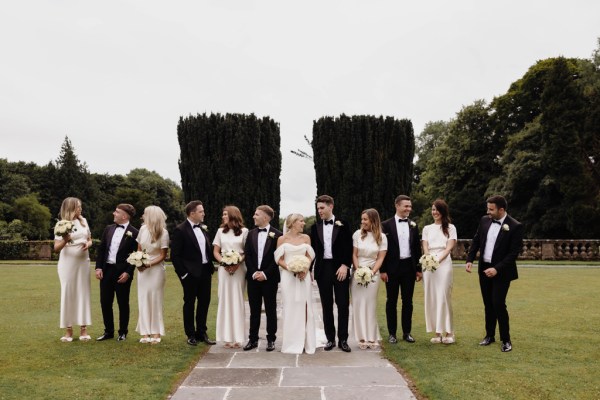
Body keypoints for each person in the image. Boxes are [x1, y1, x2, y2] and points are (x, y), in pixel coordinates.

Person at [466, 195, 523, 352]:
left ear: (501, 210)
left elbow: (513, 254)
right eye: (487, 209)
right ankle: (489, 336)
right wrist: (470, 259)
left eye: (491, 209)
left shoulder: (515, 226)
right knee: (488, 304)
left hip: (502, 271)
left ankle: (506, 340)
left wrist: (497, 268)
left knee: (498, 303)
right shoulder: (484, 220)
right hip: (484, 269)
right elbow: (476, 240)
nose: (488, 212)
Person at [310, 195, 353, 352]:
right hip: (323, 270)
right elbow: (312, 251)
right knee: (326, 305)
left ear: (331, 206)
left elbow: (349, 247)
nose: (319, 211)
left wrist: (345, 265)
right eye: (318, 208)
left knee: (342, 305)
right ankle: (330, 339)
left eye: (322, 208)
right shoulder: (315, 228)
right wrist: (310, 270)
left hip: (340, 268)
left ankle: (343, 340)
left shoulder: (344, 224)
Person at [170, 200, 216, 346]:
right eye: (201, 211)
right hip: (189, 274)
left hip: (205, 272)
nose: (204, 214)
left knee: (204, 302)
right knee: (189, 303)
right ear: (192, 213)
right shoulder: (180, 230)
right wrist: (183, 274)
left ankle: (202, 333)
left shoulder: (202, 228)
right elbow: (175, 256)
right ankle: (190, 334)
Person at [380, 195, 422, 344]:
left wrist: (418, 269)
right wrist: (382, 270)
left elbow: (417, 248)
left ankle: (407, 333)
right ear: (397, 206)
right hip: (391, 269)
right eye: (406, 206)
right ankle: (392, 334)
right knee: (391, 301)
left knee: (408, 301)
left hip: (409, 268)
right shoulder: (385, 225)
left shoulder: (413, 225)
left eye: (410, 206)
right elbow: (382, 249)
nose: (409, 209)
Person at [95, 204, 139, 341]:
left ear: (124, 216)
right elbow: (102, 249)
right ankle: (108, 332)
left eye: (117, 212)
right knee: (105, 302)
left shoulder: (135, 232)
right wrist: (98, 267)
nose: (114, 213)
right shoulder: (108, 229)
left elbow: (136, 254)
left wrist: (128, 272)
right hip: (106, 270)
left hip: (122, 272)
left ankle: (123, 332)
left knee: (123, 302)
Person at [274, 213, 316, 354]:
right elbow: (279, 259)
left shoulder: (306, 238)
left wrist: (304, 269)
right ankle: (292, 340)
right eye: (301, 221)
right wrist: (292, 268)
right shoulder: (282, 239)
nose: (304, 223)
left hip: (303, 277)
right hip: (288, 277)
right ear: (292, 223)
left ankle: (305, 339)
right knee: (290, 306)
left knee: (304, 306)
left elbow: (309, 256)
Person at [243, 205, 282, 352]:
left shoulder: (277, 235)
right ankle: (252, 339)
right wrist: (254, 272)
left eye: (256, 214)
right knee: (254, 310)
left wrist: (265, 273)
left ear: (265, 217)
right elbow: (248, 255)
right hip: (253, 278)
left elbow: (277, 258)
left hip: (270, 278)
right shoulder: (251, 234)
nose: (254, 216)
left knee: (271, 309)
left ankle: (271, 339)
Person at [54, 197, 93, 342]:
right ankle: (68, 330)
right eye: (78, 207)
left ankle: (84, 330)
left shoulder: (84, 221)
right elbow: (56, 248)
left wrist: (88, 244)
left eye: (80, 207)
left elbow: (89, 238)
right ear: (70, 208)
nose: (80, 209)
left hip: (83, 262)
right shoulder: (61, 224)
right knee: (68, 293)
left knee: (83, 293)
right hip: (67, 263)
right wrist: (65, 239)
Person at [421, 199, 457, 344]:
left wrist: (437, 260)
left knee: (443, 296)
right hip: (429, 264)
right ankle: (437, 333)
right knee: (432, 297)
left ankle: (449, 332)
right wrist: (428, 259)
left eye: (437, 209)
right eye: (433, 209)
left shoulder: (451, 227)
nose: (434, 212)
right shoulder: (427, 228)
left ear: (443, 211)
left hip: (444, 263)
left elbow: (449, 248)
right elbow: (425, 246)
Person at [212, 205, 248, 349]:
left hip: (239, 270)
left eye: (225, 214)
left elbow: (246, 251)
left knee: (237, 300)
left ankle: (238, 338)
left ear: (233, 215)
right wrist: (224, 262)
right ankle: (226, 337)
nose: (223, 216)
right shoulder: (220, 231)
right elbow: (216, 251)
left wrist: (237, 262)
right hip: (224, 270)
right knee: (225, 300)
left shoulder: (245, 232)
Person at [351, 208, 387, 349]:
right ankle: (361, 338)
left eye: (365, 219)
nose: (363, 222)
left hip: (373, 274)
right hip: (358, 272)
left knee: (370, 305)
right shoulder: (357, 234)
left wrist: (372, 272)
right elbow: (354, 254)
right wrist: (358, 270)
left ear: (373, 220)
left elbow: (381, 257)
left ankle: (372, 337)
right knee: (358, 304)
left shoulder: (382, 237)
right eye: (362, 219)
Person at [135, 206, 169, 344]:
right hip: (142, 271)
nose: (142, 215)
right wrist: (138, 262)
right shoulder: (142, 230)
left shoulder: (163, 233)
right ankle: (145, 332)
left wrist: (148, 264)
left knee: (155, 300)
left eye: (144, 213)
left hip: (156, 270)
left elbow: (163, 255)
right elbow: (138, 249)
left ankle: (156, 332)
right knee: (143, 299)